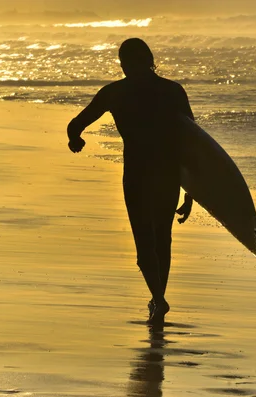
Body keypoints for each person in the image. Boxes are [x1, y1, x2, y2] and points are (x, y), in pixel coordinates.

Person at [67, 38, 194, 324]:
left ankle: (159, 300)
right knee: (163, 239)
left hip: (137, 174)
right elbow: (192, 143)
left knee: (144, 246)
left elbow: (76, 123)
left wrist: (76, 139)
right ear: (150, 60)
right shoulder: (172, 91)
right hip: (167, 173)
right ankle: (158, 298)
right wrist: (191, 189)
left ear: (123, 64)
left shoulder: (116, 93)